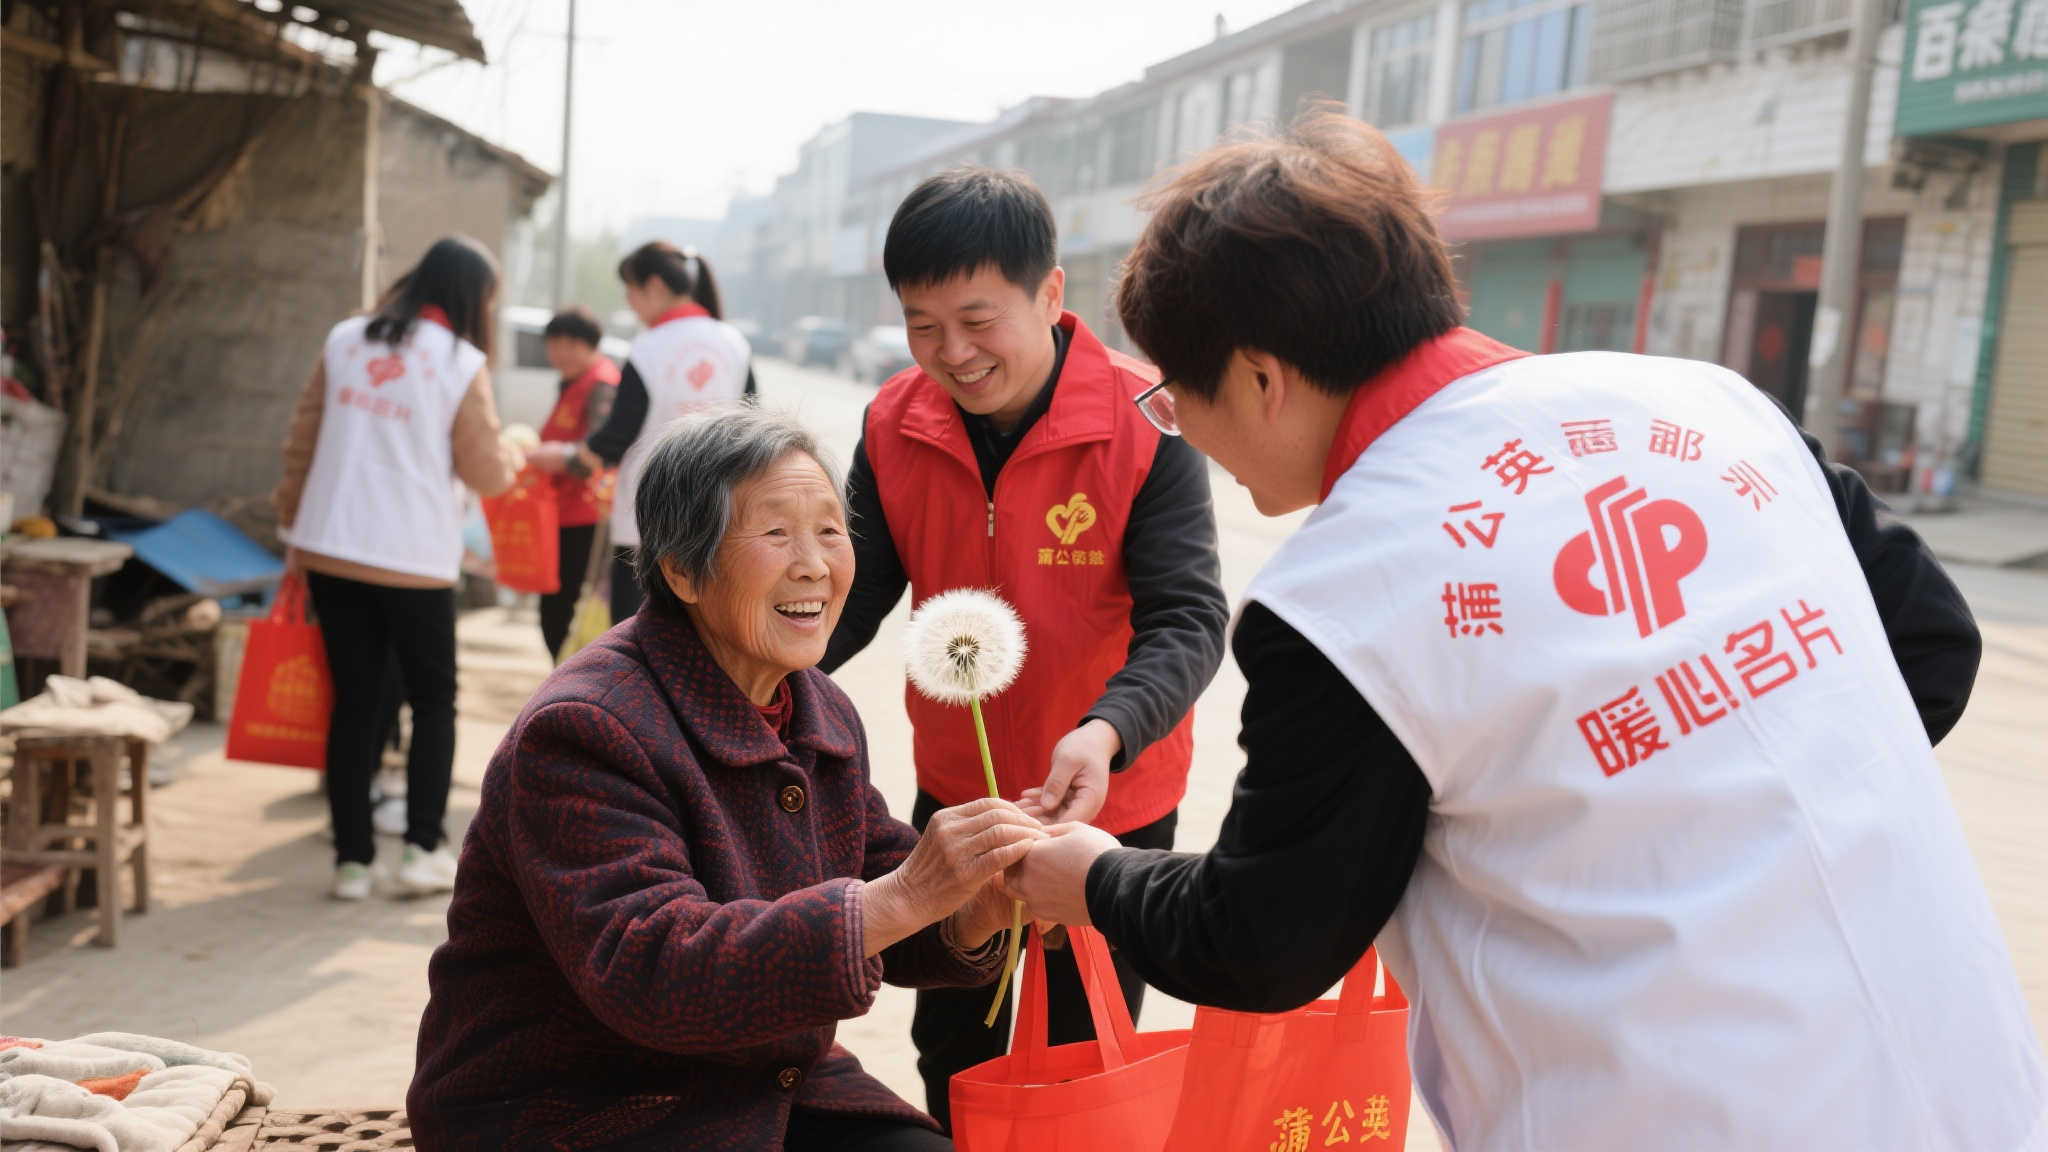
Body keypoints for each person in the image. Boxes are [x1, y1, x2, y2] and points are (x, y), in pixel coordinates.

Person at [1004, 108, 2045, 1151]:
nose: (1179, 431)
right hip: (1961, 1071)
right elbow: (1930, 649)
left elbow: (1265, 936)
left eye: (1174, 399)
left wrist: (1092, 875)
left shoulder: (1347, 587)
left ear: (1260, 377)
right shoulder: (1710, 408)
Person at [409, 408, 1042, 1150]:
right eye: (776, 533)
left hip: (762, 1084)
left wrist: (978, 907)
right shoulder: (584, 729)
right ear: (682, 569)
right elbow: (652, 967)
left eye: (831, 531)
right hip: (582, 1107)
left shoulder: (817, 707)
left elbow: (880, 881)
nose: (813, 564)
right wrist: (907, 893)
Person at [819, 167, 1228, 1128]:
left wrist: (1108, 732)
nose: (951, 354)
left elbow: (1189, 618)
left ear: (1050, 295)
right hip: (960, 801)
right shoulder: (893, 421)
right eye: (923, 325)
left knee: (1085, 1061)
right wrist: (739, 674)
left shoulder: (1146, 421)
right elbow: (854, 594)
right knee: (952, 1046)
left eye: (977, 319)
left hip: (1107, 807)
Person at [274, 234, 525, 901]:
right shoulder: (459, 361)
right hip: (413, 560)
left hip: (332, 547)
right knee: (433, 701)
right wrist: (514, 458)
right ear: (475, 300)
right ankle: (421, 848)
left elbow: (301, 438)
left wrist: (291, 532)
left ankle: (351, 863)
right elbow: (484, 470)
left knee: (354, 704)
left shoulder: (346, 340)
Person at [533, 242, 754, 626]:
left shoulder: (649, 347)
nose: (630, 303)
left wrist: (569, 458)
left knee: (642, 638)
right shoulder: (734, 343)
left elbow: (618, 434)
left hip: (646, 522)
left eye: (631, 291)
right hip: (716, 517)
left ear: (653, 286)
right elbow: (752, 426)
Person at [523, 305, 620, 661]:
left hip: (586, 515)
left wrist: (560, 457)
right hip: (562, 510)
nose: (559, 354)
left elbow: (601, 447)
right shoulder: (575, 382)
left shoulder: (601, 383)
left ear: (590, 345)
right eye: (554, 345)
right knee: (555, 608)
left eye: (569, 345)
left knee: (562, 611)